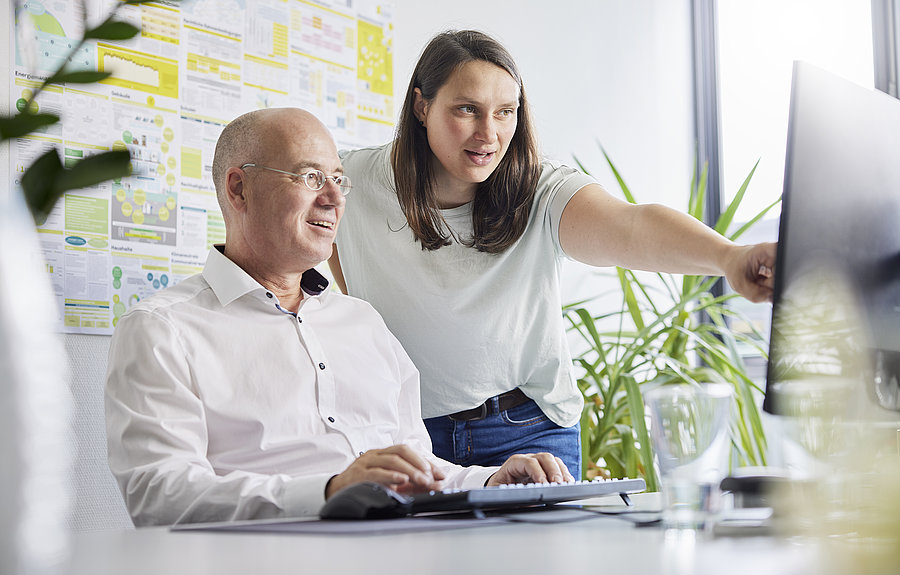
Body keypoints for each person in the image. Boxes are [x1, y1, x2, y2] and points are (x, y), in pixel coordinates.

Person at [330, 30, 776, 480]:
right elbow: (324, 262)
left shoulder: (541, 189)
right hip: (407, 435)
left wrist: (729, 257)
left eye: (505, 112)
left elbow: (630, 226)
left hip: (527, 432)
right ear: (422, 106)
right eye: (467, 109)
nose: (489, 133)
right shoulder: (351, 181)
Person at [104, 107, 573, 527]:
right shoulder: (162, 329)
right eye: (310, 177)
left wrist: (490, 481)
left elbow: (420, 468)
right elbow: (160, 496)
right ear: (239, 188)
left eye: (339, 179)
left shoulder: (363, 322)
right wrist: (329, 491)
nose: (333, 198)